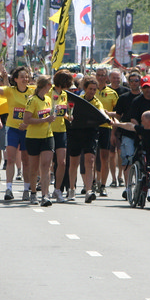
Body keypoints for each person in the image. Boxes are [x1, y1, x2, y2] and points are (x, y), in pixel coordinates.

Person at [0, 64, 34, 201]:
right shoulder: (10, 91)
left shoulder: (32, 93)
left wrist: (27, 123)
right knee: (11, 159)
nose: (25, 79)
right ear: (15, 79)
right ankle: (8, 189)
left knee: (26, 161)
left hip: (27, 130)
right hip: (12, 129)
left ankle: (26, 189)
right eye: (22, 77)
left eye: (27, 77)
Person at [67, 76, 104, 203]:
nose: (92, 92)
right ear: (85, 88)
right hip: (75, 132)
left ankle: (89, 190)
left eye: (94, 89)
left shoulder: (97, 102)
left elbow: (101, 112)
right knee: (74, 162)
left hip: (90, 133)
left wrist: (107, 118)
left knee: (90, 161)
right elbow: (69, 112)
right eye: (90, 89)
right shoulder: (78, 100)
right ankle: (71, 189)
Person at [23, 75, 56, 206]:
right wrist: (44, 120)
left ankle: (45, 195)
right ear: (45, 85)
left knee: (46, 165)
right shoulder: (32, 100)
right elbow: (26, 119)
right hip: (33, 137)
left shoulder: (48, 99)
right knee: (34, 167)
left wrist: (53, 116)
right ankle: (33, 193)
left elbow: (48, 115)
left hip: (48, 136)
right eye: (49, 84)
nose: (51, 87)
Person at [114, 70, 143, 198]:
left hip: (144, 133)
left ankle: (141, 186)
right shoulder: (123, 98)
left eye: (136, 81)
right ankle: (128, 187)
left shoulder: (145, 97)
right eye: (131, 81)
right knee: (127, 161)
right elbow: (117, 117)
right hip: (127, 133)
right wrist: (113, 134)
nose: (134, 83)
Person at [94, 67, 119, 196]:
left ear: (107, 77)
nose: (100, 77)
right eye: (98, 75)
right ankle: (93, 182)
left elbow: (117, 113)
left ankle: (103, 185)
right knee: (92, 157)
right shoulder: (91, 90)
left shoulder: (112, 93)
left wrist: (114, 132)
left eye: (103, 75)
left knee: (105, 157)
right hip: (92, 127)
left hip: (106, 127)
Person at [50, 69, 74, 202]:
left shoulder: (64, 94)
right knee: (47, 162)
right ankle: (41, 187)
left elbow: (63, 112)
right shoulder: (49, 92)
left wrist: (68, 116)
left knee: (62, 162)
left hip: (61, 130)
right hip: (48, 130)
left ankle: (57, 189)